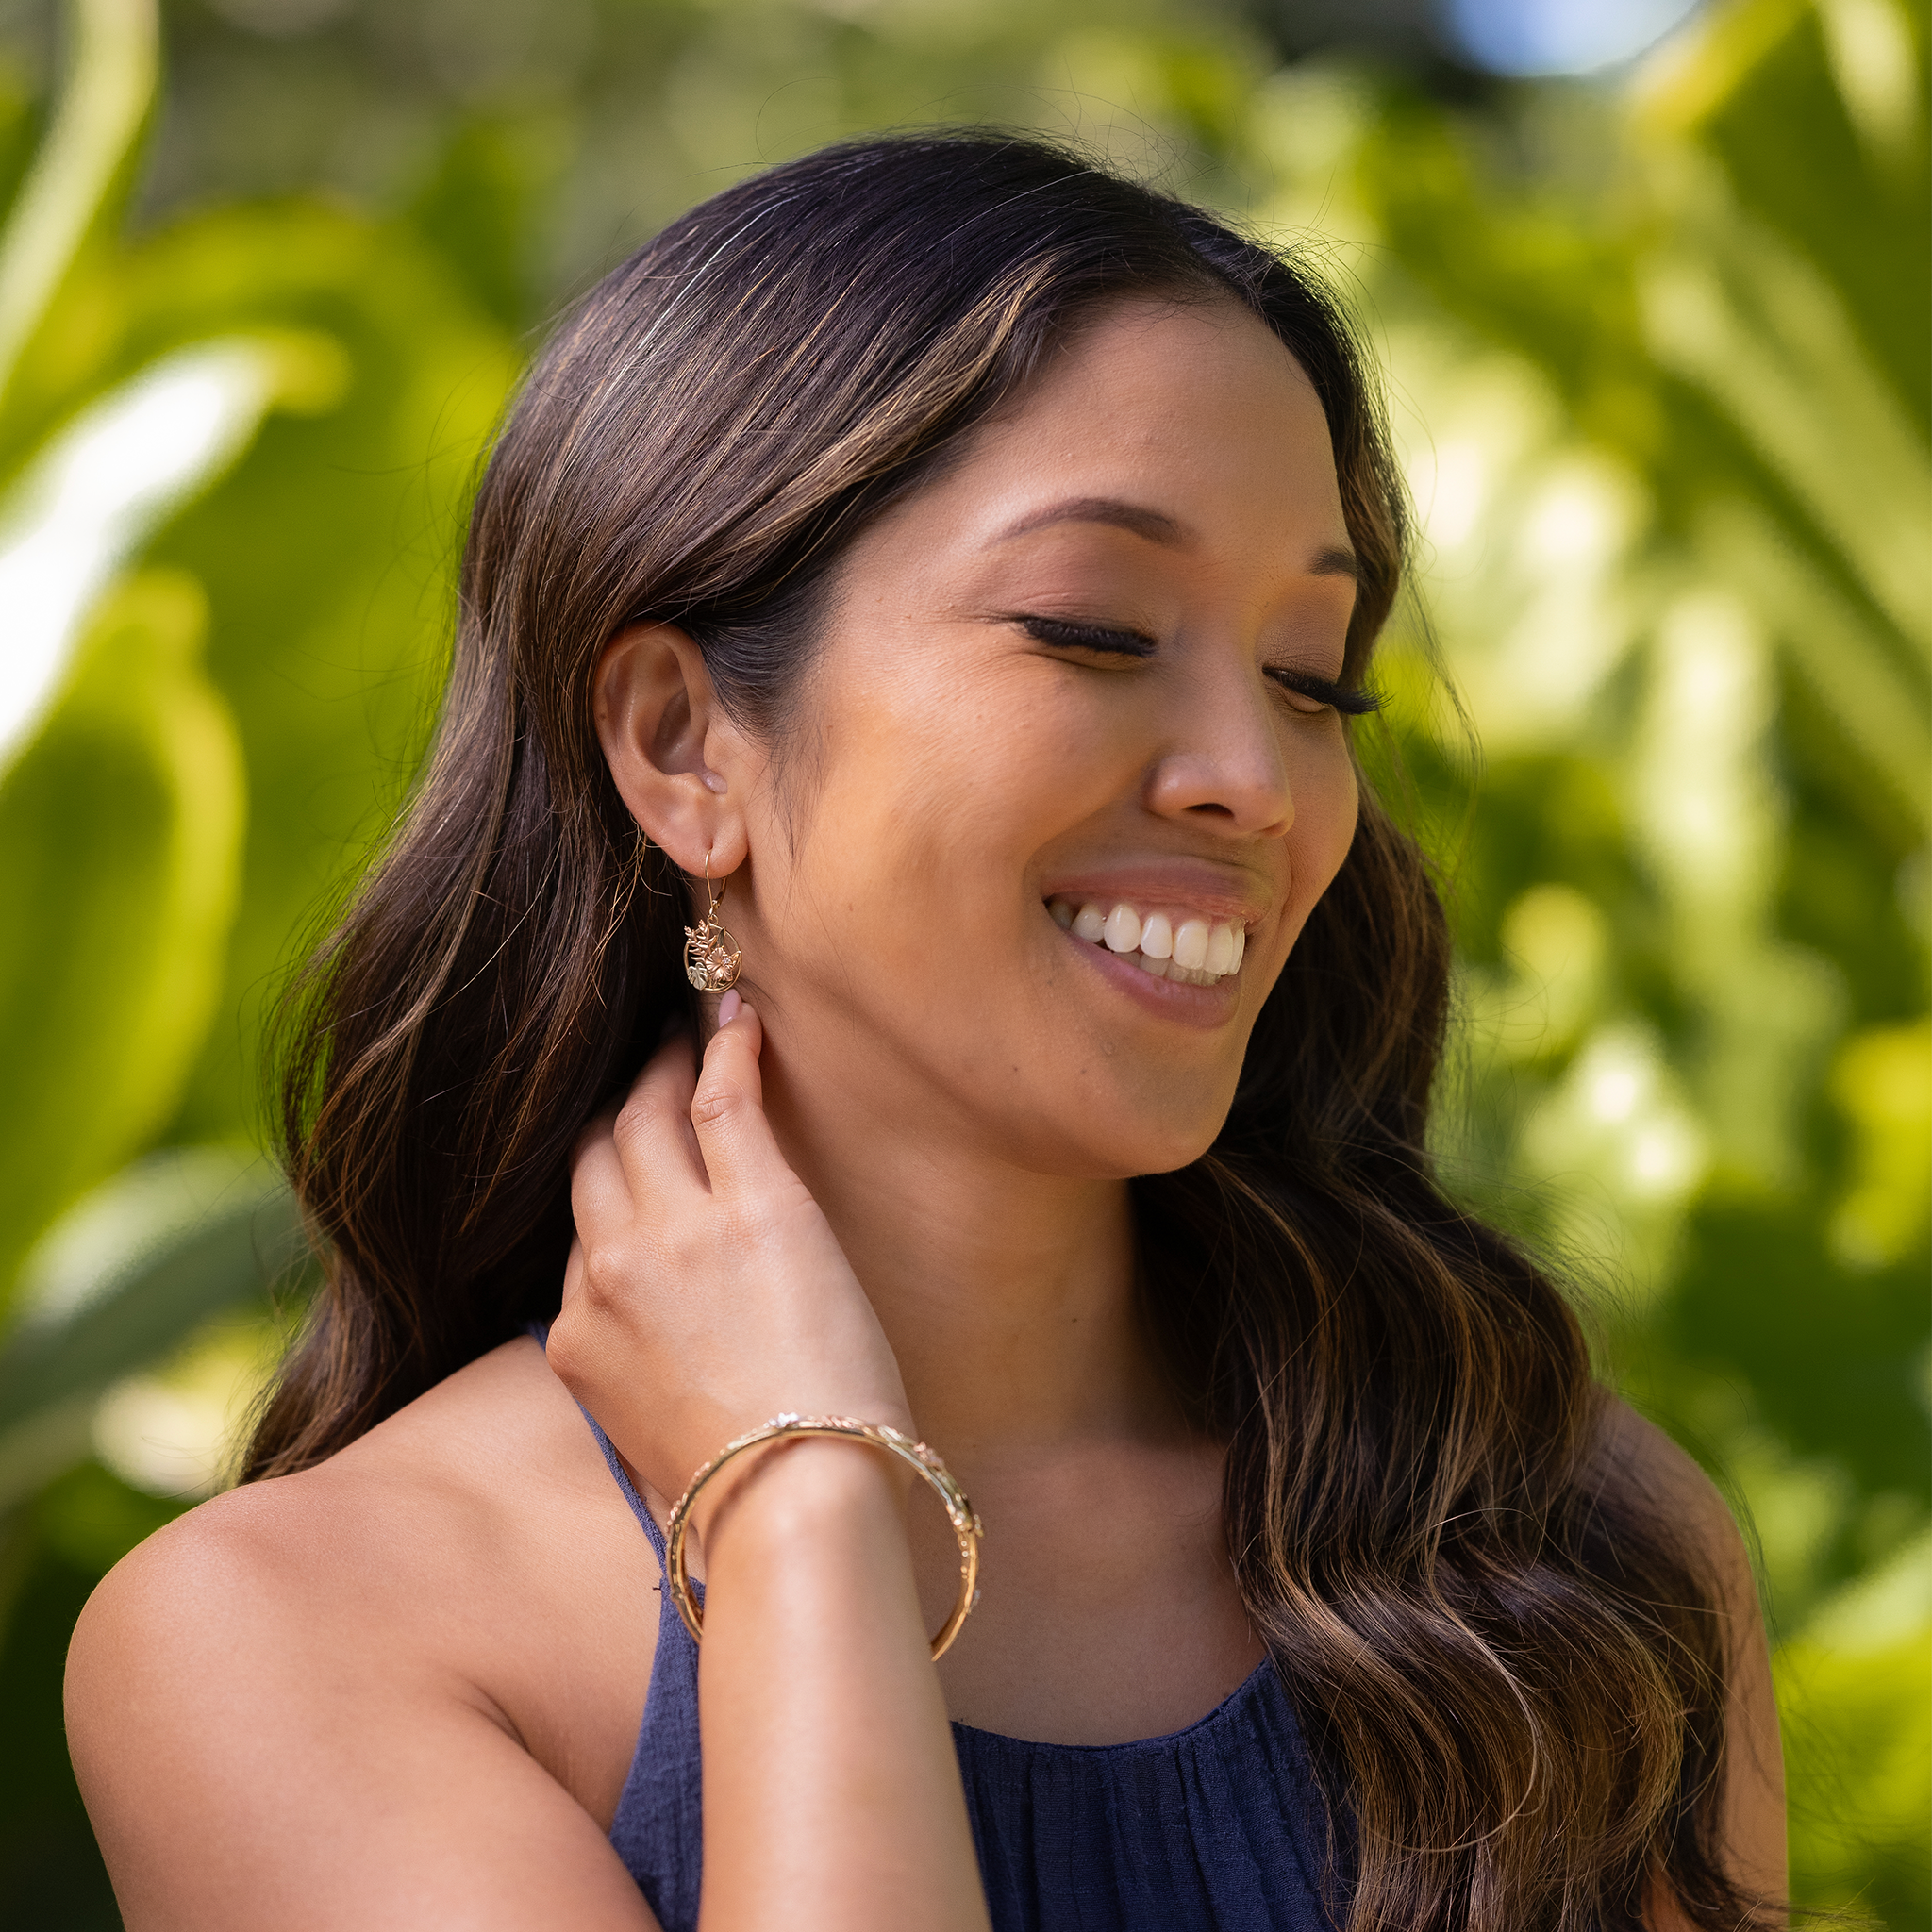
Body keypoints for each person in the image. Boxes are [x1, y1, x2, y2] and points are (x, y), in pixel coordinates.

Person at [64, 133, 1784, 1932]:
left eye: (1310, 673)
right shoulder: (292, 1639)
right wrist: (803, 1510)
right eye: (1095, 628)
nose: (1256, 782)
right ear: (680, 744)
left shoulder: (1559, 1553)